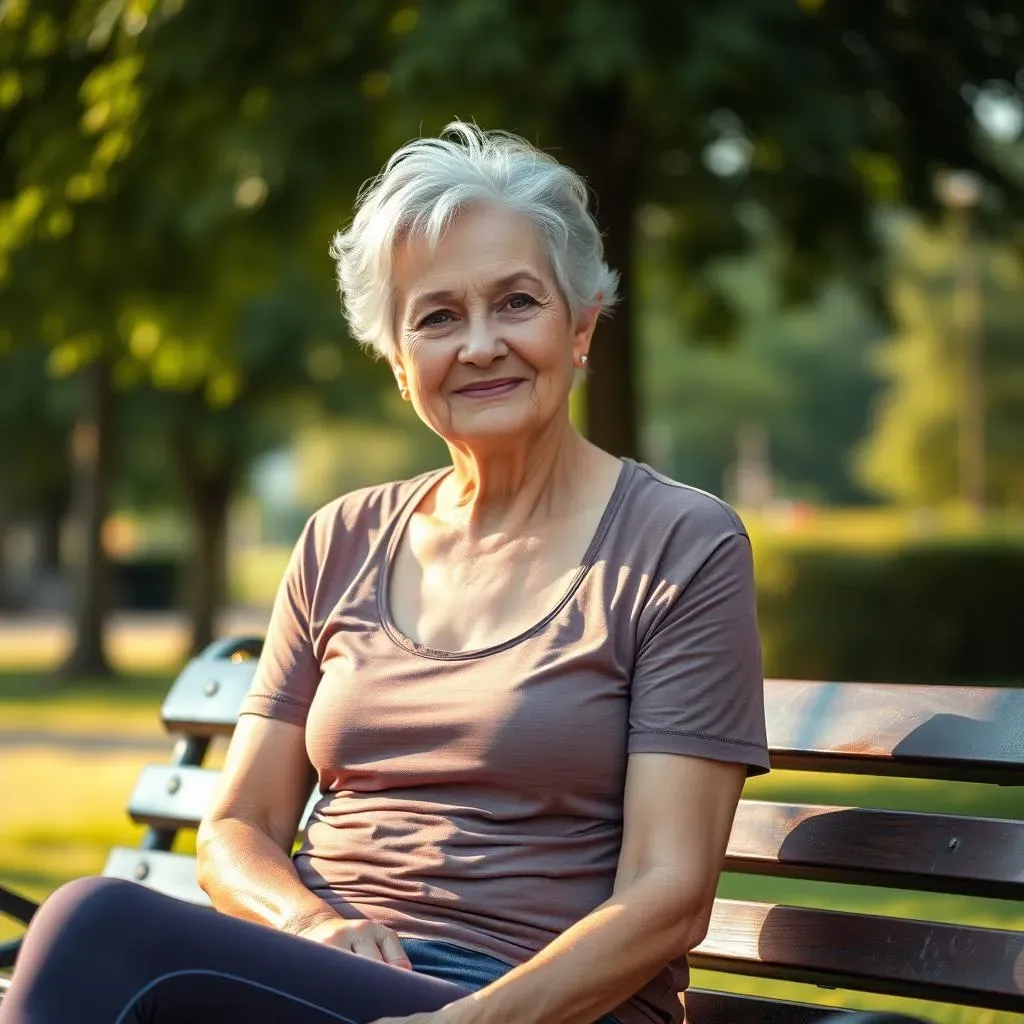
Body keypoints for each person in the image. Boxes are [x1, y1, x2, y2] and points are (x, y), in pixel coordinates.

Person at [0, 123, 925, 1024]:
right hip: (312, 975)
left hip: (532, 1001)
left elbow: (669, 893)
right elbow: (237, 825)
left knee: (94, 925)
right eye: (438, 317)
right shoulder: (342, 538)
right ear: (400, 365)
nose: (479, 343)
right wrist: (311, 922)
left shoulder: (680, 546)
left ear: (582, 327)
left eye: (517, 303)